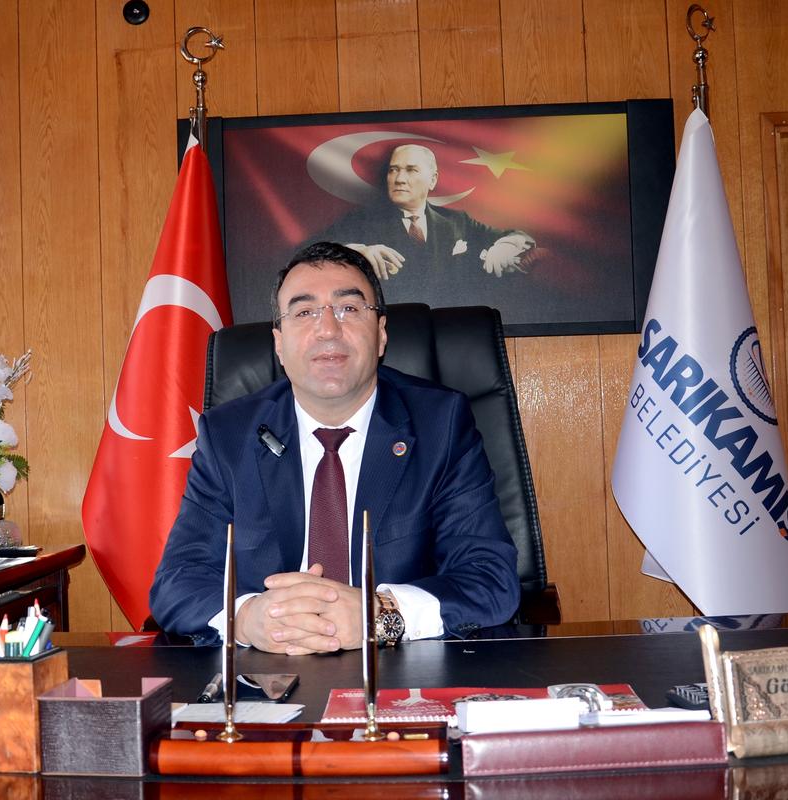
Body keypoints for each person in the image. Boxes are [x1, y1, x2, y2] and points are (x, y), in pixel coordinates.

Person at [149, 241, 520, 653]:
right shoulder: (228, 434)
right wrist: (248, 619)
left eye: (349, 308)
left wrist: (378, 613)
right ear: (279, 344)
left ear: (380, 334)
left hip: (399, 668)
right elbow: (178, 581)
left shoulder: (441, 425)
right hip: (267, 671)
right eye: (304, 312)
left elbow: (490, 578)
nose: (327, 329)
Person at [322, 144, 536, 290]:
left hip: (449, 325)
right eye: (393, 170)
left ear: (432, 180)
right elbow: (312, 251)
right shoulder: (361, 220)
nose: (399, 179)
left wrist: (505, 247)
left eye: (411, 170)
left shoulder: (457, 221)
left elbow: (518, 236)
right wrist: (356, 253)